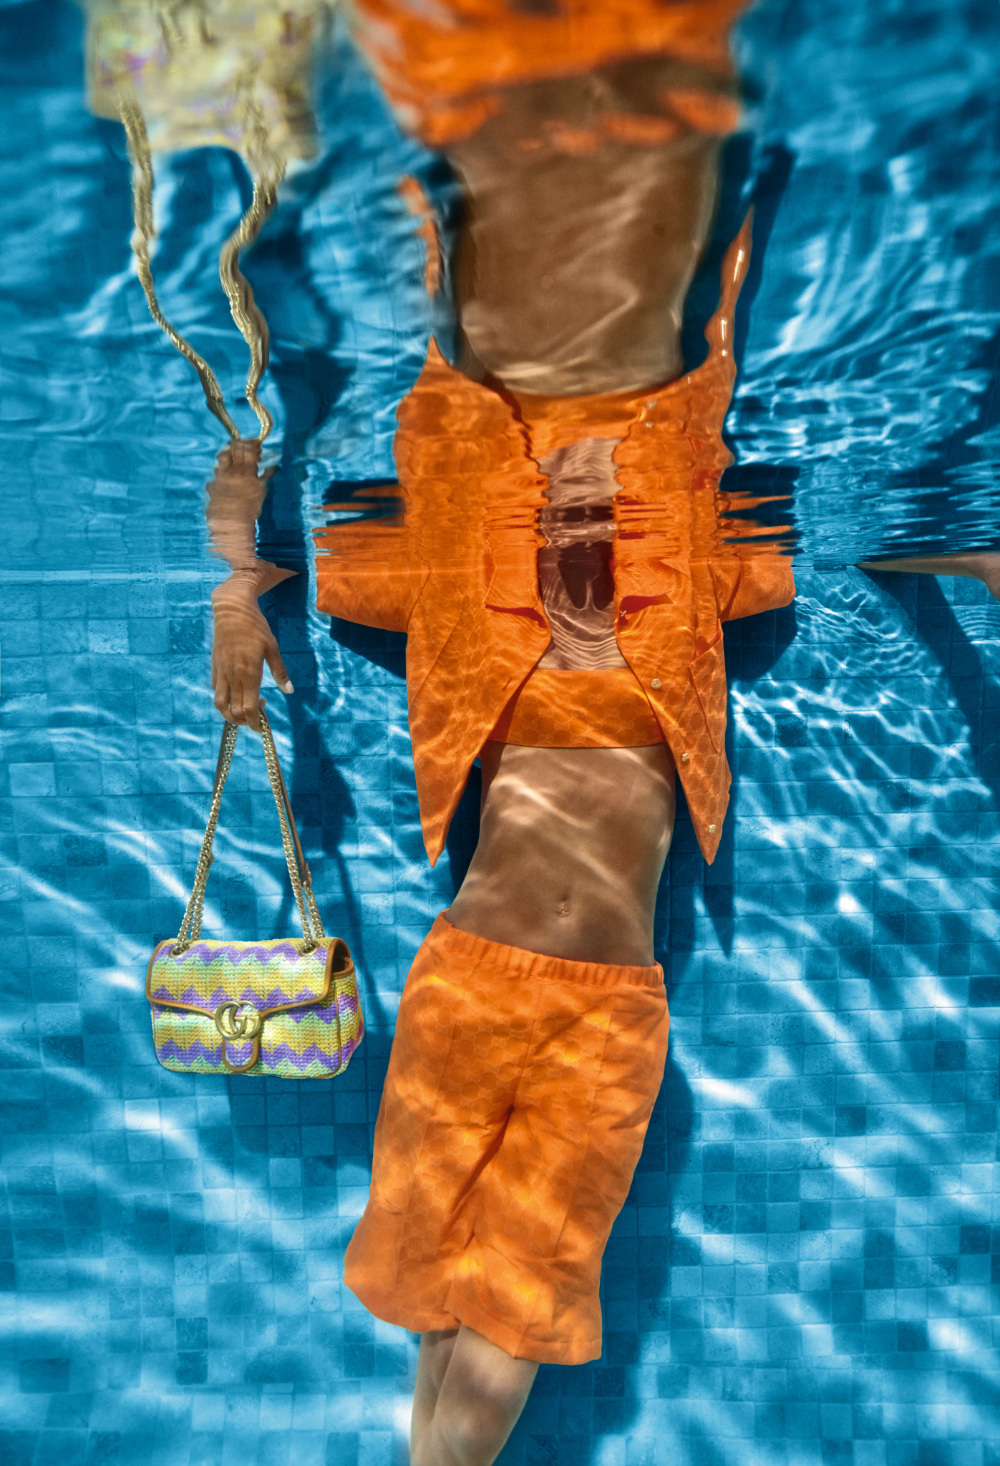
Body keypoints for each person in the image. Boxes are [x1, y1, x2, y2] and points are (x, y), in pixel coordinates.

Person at [204, 5, 1000, 1464]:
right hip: (507, 974)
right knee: (445, 1299)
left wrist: (959, 561)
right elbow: (295, 536)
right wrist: (239, 590)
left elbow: (843, 554)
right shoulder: (569, 567)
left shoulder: (611, 569)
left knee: (499, 1311)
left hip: (577, 1004)